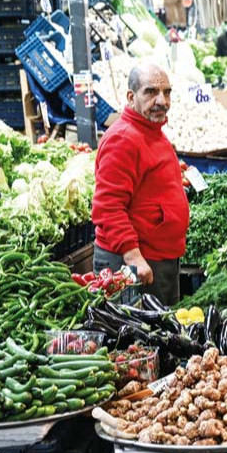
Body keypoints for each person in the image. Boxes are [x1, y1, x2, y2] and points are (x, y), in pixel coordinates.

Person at [92, 63, 189, 305]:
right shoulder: (123, 139)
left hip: (158, 259)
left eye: (167, 92)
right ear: (131, 97)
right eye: (151, 92)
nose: (162, 100)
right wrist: (133, 257)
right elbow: (107, 206)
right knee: (135, 339)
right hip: (135, 265)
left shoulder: (151, 131)